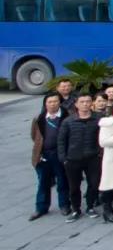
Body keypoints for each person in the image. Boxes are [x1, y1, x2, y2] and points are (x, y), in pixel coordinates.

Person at [29, 92, 70, 221]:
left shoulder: (67, 117)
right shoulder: (39, 118)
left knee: (62, 181)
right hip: (44, 155)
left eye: (55, 101)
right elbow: (34, 136)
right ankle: (41, 207)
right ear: (45, 104)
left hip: (60, 154)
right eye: (50, 102)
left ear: (60, 102)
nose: (53, 104)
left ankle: (64, 205)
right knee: (43, 182)